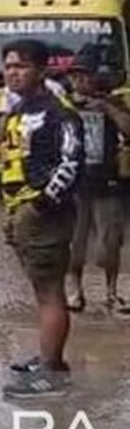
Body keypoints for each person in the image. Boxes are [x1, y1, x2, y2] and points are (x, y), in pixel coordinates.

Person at [0, 39, 84, 398]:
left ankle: (51, 373)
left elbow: (72, 162)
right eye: (8, 66)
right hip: (22, 209)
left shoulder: (58, 111)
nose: (13, 73)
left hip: (43, 213)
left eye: (21, 66)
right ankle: (50, 358)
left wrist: (43, 204)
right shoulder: (22, 109)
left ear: (41, 70)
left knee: (50, 293)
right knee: (42, 291)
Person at [65, 51, 130, 313]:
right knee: (74, 243)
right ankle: (75, 292)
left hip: (107, 184)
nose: (79, 81)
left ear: (96, 77)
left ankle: (111, 292)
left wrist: (107, 108)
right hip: (75, 184)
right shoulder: (64, 105)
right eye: (75, 76)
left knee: (110, 242)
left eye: (85, 75)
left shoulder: (113, 102)